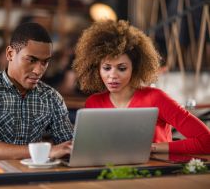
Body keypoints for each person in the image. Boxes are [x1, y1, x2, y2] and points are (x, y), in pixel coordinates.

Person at [72, 20, 210, 154]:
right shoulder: (93, 103)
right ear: (96, 69)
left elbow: (206, 141)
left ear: (135, 68)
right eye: (107, 68)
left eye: (122, 68)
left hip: (159, 173)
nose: (112, 76)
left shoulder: (156, 99)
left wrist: (151, 148)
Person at [0, 22, 73, 161]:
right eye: (31, 60)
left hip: (32, 178)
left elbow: (68, 147)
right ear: (10, 54)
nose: (39, 70)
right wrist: (47, 151)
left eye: (45, 62)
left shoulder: (51, 97)